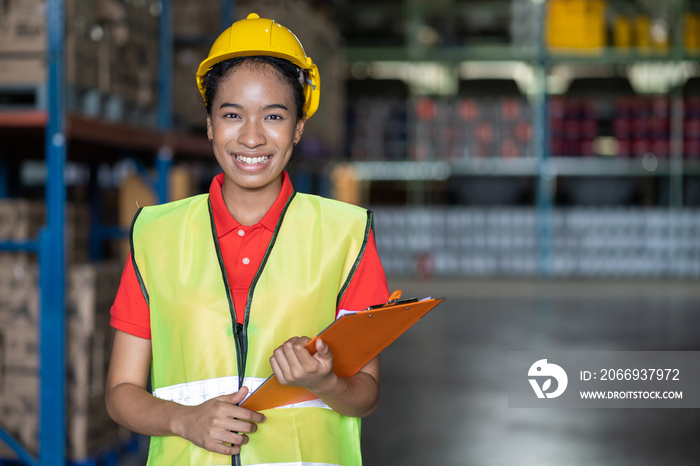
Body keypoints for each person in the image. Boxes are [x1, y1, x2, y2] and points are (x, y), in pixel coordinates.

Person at [105, 12, 390, 466]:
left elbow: (366, 397)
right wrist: (186, 421)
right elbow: (121, 394)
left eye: (274, 116)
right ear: (210, 125)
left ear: (298, 127)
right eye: (233, 115)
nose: (252, 137)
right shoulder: (156, 234)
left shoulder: (346, 234)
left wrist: (326, 383)